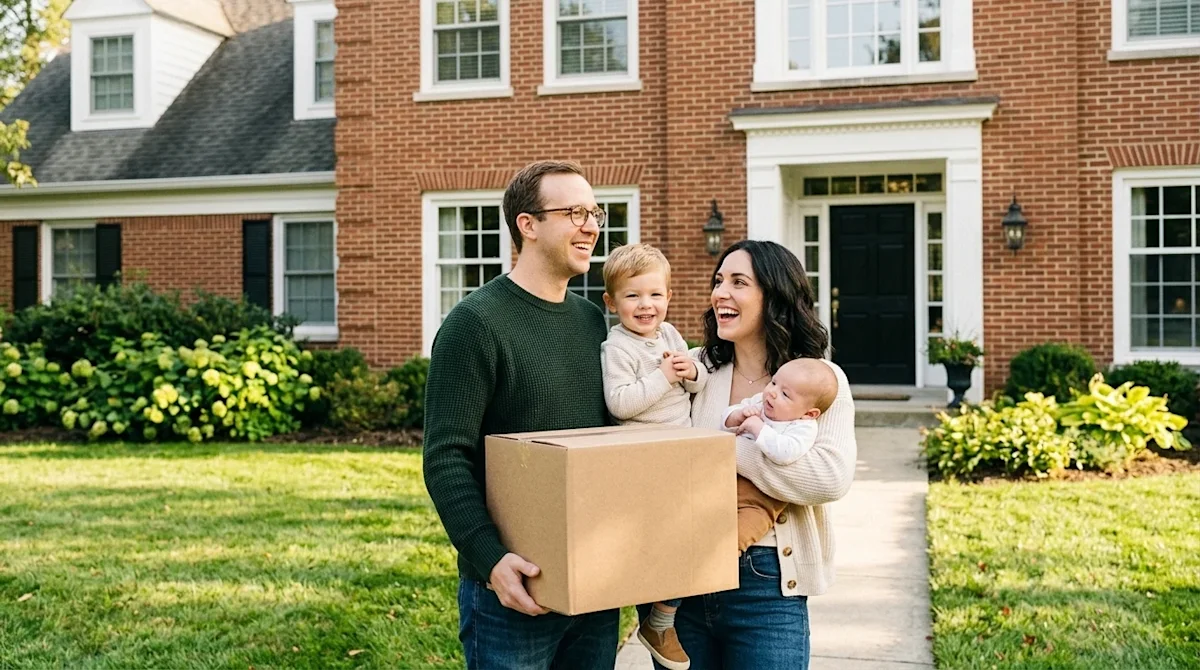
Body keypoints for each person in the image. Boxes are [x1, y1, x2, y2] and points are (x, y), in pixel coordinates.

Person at [423, 160, 619, 670]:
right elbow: (446, 457)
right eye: (574, 212)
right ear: (527, 226)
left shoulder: (591, 321)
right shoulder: (475, 323)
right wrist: (491, 560)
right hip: (515, 588)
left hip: (593, 580)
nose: (592, 225)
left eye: (595, 211)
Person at [645, 239, 857, 669]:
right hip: (682, 576)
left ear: (774, 296)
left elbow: (827, 477)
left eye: (739, 282)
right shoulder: (694, 370)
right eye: (719, 280)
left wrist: (723, 451)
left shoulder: (821, 378)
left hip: (768, 582)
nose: (720, 292)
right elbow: (655, 453)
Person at [598, 243, 706, 670]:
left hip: (682, 451)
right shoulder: (617, 348)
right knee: (670, 541)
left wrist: (692, 372)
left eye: (655, 295)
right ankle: (659, 620)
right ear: (611, 302)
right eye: (633, 296)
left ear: (668, 297)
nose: (646, 306)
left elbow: (695, 387)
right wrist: (664, 376)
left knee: (695, 536)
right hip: (644, 457)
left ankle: (663, 617)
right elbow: (620, 404)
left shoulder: (671, 335)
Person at [722, 357, 839, 554]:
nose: (772, 393)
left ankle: (725, 554)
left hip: (764, 495)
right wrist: (739, 414)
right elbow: (726, 417)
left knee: (749, 524)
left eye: (785, 394)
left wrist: (757, 428)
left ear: (809, 413)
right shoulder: (761, 402)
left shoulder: (802, 427)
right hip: (729, 480)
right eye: (774, 382)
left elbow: (786, 453)